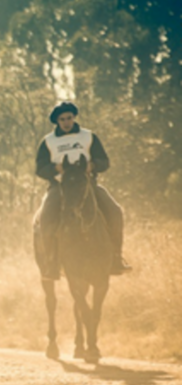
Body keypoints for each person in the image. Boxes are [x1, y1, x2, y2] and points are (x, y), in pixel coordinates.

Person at [35, 101, 132, 280]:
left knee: (115, 212)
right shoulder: (48, 142)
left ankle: (116, 257)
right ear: (57, 121)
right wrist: (55, 169)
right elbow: (40, 169)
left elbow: (104, 161)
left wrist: (93, 165)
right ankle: (51, 263)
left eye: (69, 118)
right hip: (59, 188)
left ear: (74, 117)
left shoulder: (88, 137)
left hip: (87, 186)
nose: (66, 122)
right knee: (45, 219)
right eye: (62, 119)